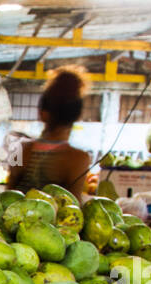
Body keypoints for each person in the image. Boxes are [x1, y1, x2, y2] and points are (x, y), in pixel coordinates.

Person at [6, 67, 91, 199]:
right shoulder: (79, 159)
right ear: (77, 116)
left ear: (42, 113)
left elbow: (7, 195)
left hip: (14, 218)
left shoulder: (19, 149)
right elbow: (74, 208)